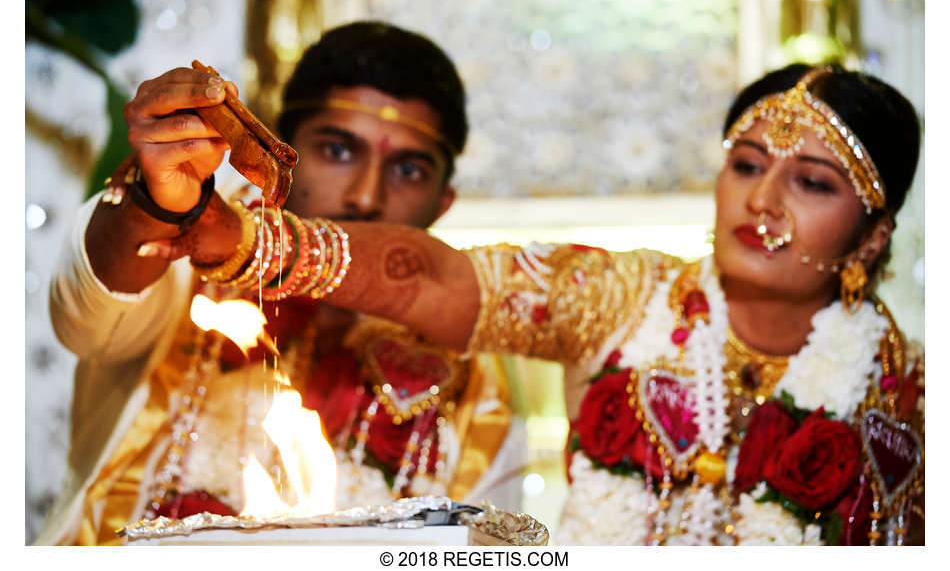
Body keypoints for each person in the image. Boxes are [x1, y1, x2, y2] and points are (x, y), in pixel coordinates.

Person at [118, 61, 924, 545]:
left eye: (813, 182)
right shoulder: (622, 299)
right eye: (747, 165)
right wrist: (244, 240)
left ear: (871, 239)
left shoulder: (912, 401)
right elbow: (432, 280)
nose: (763, 201)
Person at [36, 21, 521, 545]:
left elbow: (484, 552)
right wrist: (152, 206)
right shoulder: (186, 247)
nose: (364, 195)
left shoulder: (473, 383)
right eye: (338, 150)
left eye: (408, 170)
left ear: (442, 204)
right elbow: (83, 316)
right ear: (276, 154)